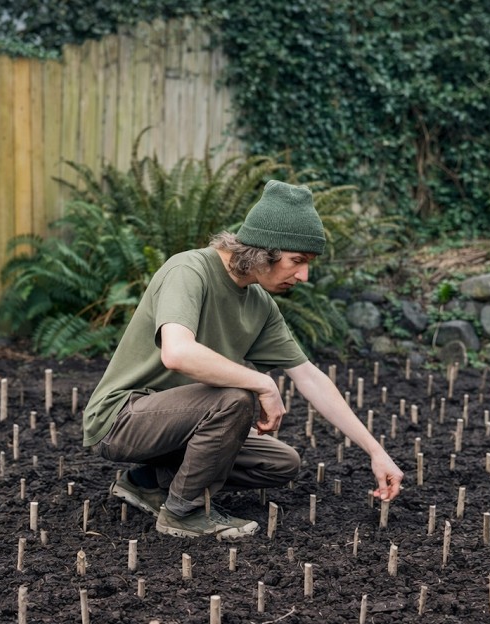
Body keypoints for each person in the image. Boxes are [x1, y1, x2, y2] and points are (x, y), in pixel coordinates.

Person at [83, 180, 404, 539]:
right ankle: (182, 513)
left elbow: (309, 377)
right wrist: (263, 382)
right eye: (297, 261)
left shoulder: (259, 304)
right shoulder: (188, 270)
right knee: (235, 398)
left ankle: (146, 481)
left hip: (178, 423)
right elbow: (177, 352)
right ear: (264, 251)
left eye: (308, 264)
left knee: (281, 463)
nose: (304, 276)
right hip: (121, 419)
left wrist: (376, 451)